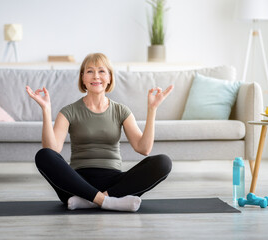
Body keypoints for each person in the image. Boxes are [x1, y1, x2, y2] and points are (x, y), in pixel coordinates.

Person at [26, 53, 174, 212]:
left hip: (114, 183)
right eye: (89, 71)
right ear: (82, 78)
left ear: (110, 77)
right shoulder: (69, 111)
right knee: (43, 155)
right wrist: (46, 110)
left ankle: (92, 200)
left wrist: (152, 110)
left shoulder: (120, 110)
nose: (96, 76)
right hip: (77, 183)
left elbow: (143, 148)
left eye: (102, 71)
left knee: (163, 162)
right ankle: (107, 201)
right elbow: (52, 149)